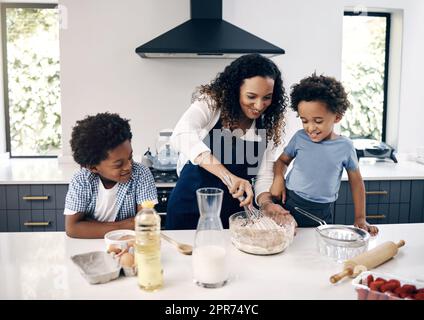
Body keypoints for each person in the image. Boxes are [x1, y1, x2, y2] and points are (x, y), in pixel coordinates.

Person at [166, 53, 294, 230]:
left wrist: (266, 204)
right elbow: (181, 134)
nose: (259, 105)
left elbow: (263, 176)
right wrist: (228, 177)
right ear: (236, 90)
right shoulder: (212, 104)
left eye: (267, 97)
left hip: (232, 215)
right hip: (189, 207)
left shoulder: (267, 127)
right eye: (251, 96)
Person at [269, 73, 379, 235]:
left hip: (321, 211)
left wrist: (360, 218)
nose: (310, 127)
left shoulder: (345, 147)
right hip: (290, 202)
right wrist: (279, 178)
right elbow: (282, 161)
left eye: (318, 121)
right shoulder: (299, 138)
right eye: (304, 120)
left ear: (337, 117)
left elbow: (357, 183)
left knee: (316, 250)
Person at [64, 112, 158, 238]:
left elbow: (146, 224)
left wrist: (91, 225)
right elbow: (73, 228)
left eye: (130, 157)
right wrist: (128, 223)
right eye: (118, 164)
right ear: (93, 167)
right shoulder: (81, 180)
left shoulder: (141, 174)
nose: (129, 166)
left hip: (128, 246)